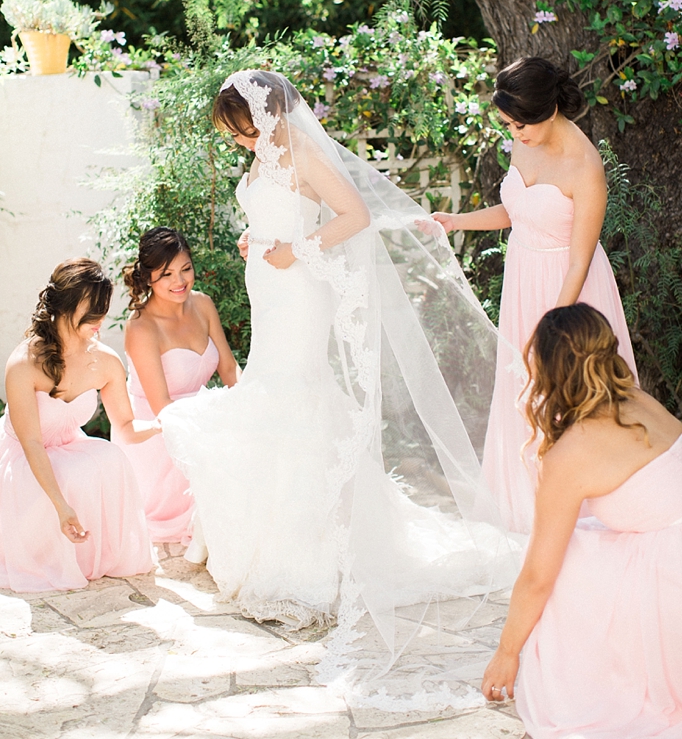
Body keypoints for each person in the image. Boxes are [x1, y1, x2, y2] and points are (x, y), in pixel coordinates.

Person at [160, 69, 519, 709]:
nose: (238, 142)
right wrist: (257, 238)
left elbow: (353, 214)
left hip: (299, 292)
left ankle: (309, 548)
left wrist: (297, 247)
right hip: (268, 287)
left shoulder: (302, 152)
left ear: (262, 114)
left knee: (296, 391)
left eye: (238, 129)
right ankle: (267, 530)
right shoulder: (267, 156)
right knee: (275, 388)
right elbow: (274, 215)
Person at [419, 57, 635, 533]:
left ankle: (577, 512)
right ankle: (525, 510)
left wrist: (554, 327)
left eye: (521, 124)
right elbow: (517, 209)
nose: (515, 133)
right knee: (523, 392)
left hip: (569, 294)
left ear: (550, 109)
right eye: (508, 124)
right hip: (524, 280)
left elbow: (580, 260)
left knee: (568, 396)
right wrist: (456, 222)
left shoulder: (585, 166)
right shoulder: (524, 142)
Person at [482, 303, 682, 737]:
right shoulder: (639, 401)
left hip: (674, 579)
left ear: (549, 368)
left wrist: (507, 652)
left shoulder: (572, 452)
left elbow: (537, 575)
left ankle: (604, 678)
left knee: (563, 560)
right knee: (585, 536)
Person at [0, 259, 159, 593]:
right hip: (20, 456)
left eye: (103, 309)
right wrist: (62, 507)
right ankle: (49, 547)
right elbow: (31, 443)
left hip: (67, 446)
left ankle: (90, 556)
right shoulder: (24, 363)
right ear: (64, 306)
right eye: (92, 310)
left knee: (113, 459)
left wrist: (163, 425)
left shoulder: (107, 361)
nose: (99, 320)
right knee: (70, 476)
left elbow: (125, 426)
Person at [117, 227, 238, 546]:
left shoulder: (203, 304)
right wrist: (217, 428)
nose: (180, 281)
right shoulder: (141, 327)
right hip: (160, 436)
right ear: (148, 279)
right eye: (166, 274)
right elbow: (162, 407)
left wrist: (245, 406)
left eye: (186, 269)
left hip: (201, 417)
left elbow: (227, 366)